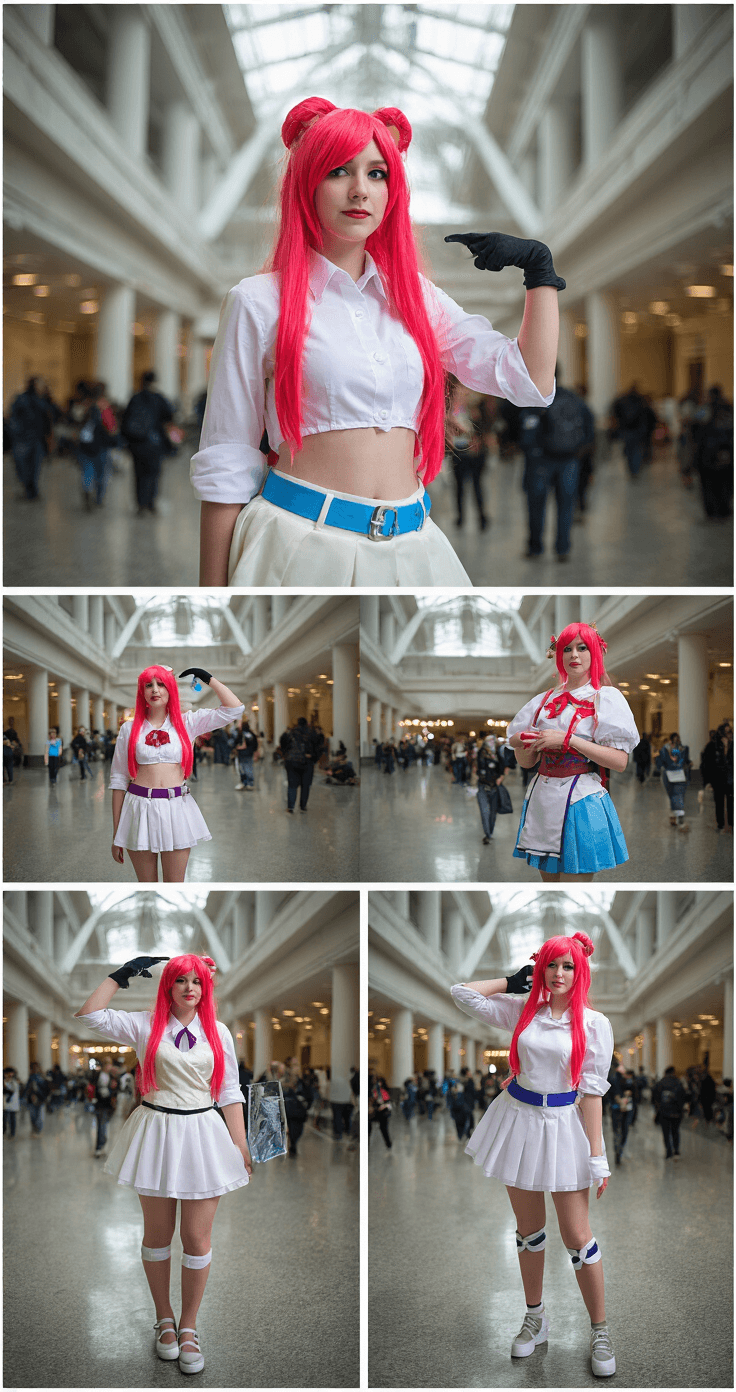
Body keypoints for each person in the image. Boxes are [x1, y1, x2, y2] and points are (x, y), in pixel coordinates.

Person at [193, 97, 562, 587]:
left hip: (415, 548)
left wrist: (540, 271)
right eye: (338, 171)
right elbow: (227, 463)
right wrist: (213, 596)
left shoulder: (418, 301)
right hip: (298, 544)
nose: (359, 191)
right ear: (307, 183)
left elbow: (527, 380)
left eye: (377, 173)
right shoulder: (258, 302)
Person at [74, 953, 250, 1374]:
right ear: (168, 986)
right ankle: (164, 1319)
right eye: (180, 981)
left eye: (197, 981)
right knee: (157, 1234)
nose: (190, 988)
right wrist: (122, 974)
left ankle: (189, 1326)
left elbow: (228, 1090)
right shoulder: (145, 1024)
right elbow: (90, 1014)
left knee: (196, 1237)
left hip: (204, 1134)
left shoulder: (218, 1031)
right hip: (156, 1131)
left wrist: (240, 1145)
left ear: (205, 989)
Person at [451, 932, 616, 1378]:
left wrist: (597, 1157)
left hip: (564, 1125)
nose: (558, 974)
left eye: (567, 967)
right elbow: (461, 994)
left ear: (580, 972)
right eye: (550, 965)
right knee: (528, 1230)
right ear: (538, 969)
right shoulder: (527, 1010)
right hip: (518, 1119)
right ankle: (535, 1316)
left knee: (578, 1236)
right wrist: (510, 981)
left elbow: (593, 1093)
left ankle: (599, 1329)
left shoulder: (595, 1023)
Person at [507, 623, 639, 881]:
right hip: (542, 799)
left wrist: (568, 740)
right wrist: (527, 743)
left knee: (573, 888)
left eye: (582, 648)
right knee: (550, 889)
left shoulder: (606, 697)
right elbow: (525, 763)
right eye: (567, 649)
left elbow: (620, 762)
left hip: (581, 799)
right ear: (559, 655)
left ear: (595, 652)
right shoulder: (542, 701)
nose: (574, 655)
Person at [109, 665, 244, 882]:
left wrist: (207, 679)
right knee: (147, 887)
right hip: (139, 809)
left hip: (176, 808)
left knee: (175, 885)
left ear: (170, 688)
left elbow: (234, 709)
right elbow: (118, 780)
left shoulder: (187, 722)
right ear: (141, 692)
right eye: (148, 685)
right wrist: (117, 834)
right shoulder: (129, 729)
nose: (155, 690)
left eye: (161, 684)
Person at [519, 367, 594, 561]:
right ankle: (563, 549)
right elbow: (589, 426)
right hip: (569, 460)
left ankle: (536, 547)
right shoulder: (573, 398)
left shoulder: (534, 399)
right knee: (566, 505)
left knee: (536, 506)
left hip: (540, 461)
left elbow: (525, 434)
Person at [121, 370, 174, 516]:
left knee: (139, 474)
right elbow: (169, 415)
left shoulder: (135, 398)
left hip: (137, 444)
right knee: (154, 474)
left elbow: (126, 421)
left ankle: (141, 504)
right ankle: (151, 502)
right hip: (154, 443)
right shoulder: (158, 398)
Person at [448, 380, 488, 530]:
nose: (461, 395)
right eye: (458, 392)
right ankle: (460, 517)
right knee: (459, 487)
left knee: (477, 486)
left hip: (474, 453)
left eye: (464, 392)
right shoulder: (450, 411)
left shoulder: (474, 410)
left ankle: (482, 517)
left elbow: (483, 429)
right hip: (458, 451)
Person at [8, 375, 53, 500]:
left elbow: (48, 419)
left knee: (34, 467)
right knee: (23, 466)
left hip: (36, 439)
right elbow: (13, 417)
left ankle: (31, 491)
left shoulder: (43, 400)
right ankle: (28, 489)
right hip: (23, 439)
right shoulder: (22, 399)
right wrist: (16, 432)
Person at [692, 386, 733, 520]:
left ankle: (712, 512)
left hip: (707, 453)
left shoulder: (705, 409)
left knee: (708, 484)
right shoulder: (730, 409)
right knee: (725, 482)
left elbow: (694, 425)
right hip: (727, 452)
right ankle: (724, 510)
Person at [280, 716, 324, 813]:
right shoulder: (312, 733)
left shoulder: (291, 732)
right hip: (307, 763)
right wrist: (313, 758)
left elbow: (283, 743)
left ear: (298, 723)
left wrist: (285, 755)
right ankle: (303, 806)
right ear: (306, 723)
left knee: (292, 785)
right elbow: (319, 747)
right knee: (305, 785)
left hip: (292, 761)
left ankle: (290, 807)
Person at [611, 384, 650, 478]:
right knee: (636, 450)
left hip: (626, 430)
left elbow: (615, 413)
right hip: (638, 431)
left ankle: (632, 469)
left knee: (629, 450)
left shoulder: (622, 400)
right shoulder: (642, 401)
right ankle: (635, 470)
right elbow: (647, 416)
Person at [655, 733, 690, 831]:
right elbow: (686, 760)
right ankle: (679, 819)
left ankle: (674, 817)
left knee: (674, 797)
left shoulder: (664, 749)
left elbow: (659, 762)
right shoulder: (682, 748)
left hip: (670, 775)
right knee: (676, 797)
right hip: (677, 775)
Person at [476, 735, 507, 845]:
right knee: (485, 812)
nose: (491, 742)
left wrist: (501, 777)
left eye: (492, 740)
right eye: (489, 740)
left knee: (493, 813)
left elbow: (502, 768)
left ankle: (490, 832)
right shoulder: (481, 753)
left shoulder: (498, 754)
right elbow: (476, 768)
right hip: (482, 786)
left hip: (495, 786)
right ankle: (487, 834)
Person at [652, 1065, 686, 1161]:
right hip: (676, 1113)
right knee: (675, 1131)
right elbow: (683, 1097)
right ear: (673, 1072)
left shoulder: (660, 1083)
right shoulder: (678, 1082)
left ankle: (668, 1151)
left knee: (666, 1132)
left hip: (664, 1112)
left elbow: (655, 1097)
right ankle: (676, 1151)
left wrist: (657, 1110)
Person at [92, 1054, 119, 1157]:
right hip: (100, 1104)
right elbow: (95, 1089)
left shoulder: (111, 1076)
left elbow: (115, 1090)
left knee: (104, 1126)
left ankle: (101, 1145)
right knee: (101, 1126)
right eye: (108, 1065)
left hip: (108, 1105)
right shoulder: (98, 1075)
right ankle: (98, 1147)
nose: (109, 1067)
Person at [711, 723, 733, 834]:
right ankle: (720, 825)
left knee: (731, 802)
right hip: (718, 779)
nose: (729, 734)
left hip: (730, 779)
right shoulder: (714, 745)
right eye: (727, 731)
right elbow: (710, 763)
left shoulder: (733, 745)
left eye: (730, 731)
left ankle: (732, 824)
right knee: (719, 803)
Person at [22, 1061, 49, 1135]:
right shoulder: (31, 1077)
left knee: (39, 1116)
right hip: (31, 1100)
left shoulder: (42, 1078)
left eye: (36, 1067)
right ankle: (34, 1130)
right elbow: (27, 1089)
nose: (35, 1069)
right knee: (33, 1116)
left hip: (40, 1099)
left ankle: (38, 1130)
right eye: (33, 1068)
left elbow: (45, 1089)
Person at [368, 1073, 392, 1149]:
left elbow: (388, 1104)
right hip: (374, 1111)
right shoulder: (372, 1090)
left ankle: (388, 1144)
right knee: (368, 1128)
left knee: (383, 1128)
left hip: (382, 1112)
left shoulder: (383, 1091)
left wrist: (382, 1106)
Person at [234, 719, 259, 790]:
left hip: (243, 754)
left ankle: (245, 782)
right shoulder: (251, 734)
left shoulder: (242, 734)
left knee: (243, 769)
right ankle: (249, 783)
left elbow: (236, 742)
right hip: (248, 754)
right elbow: (255, 744)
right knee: (247, 768)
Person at [3, 1066, 21, 1137]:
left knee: (12, 1119)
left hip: (13, 1103)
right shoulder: (4, 1081)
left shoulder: (15, 1081)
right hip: (5, 1104)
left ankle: (12, 1133)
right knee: (5, 1119)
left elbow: (13, 1090)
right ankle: (4, 1131)